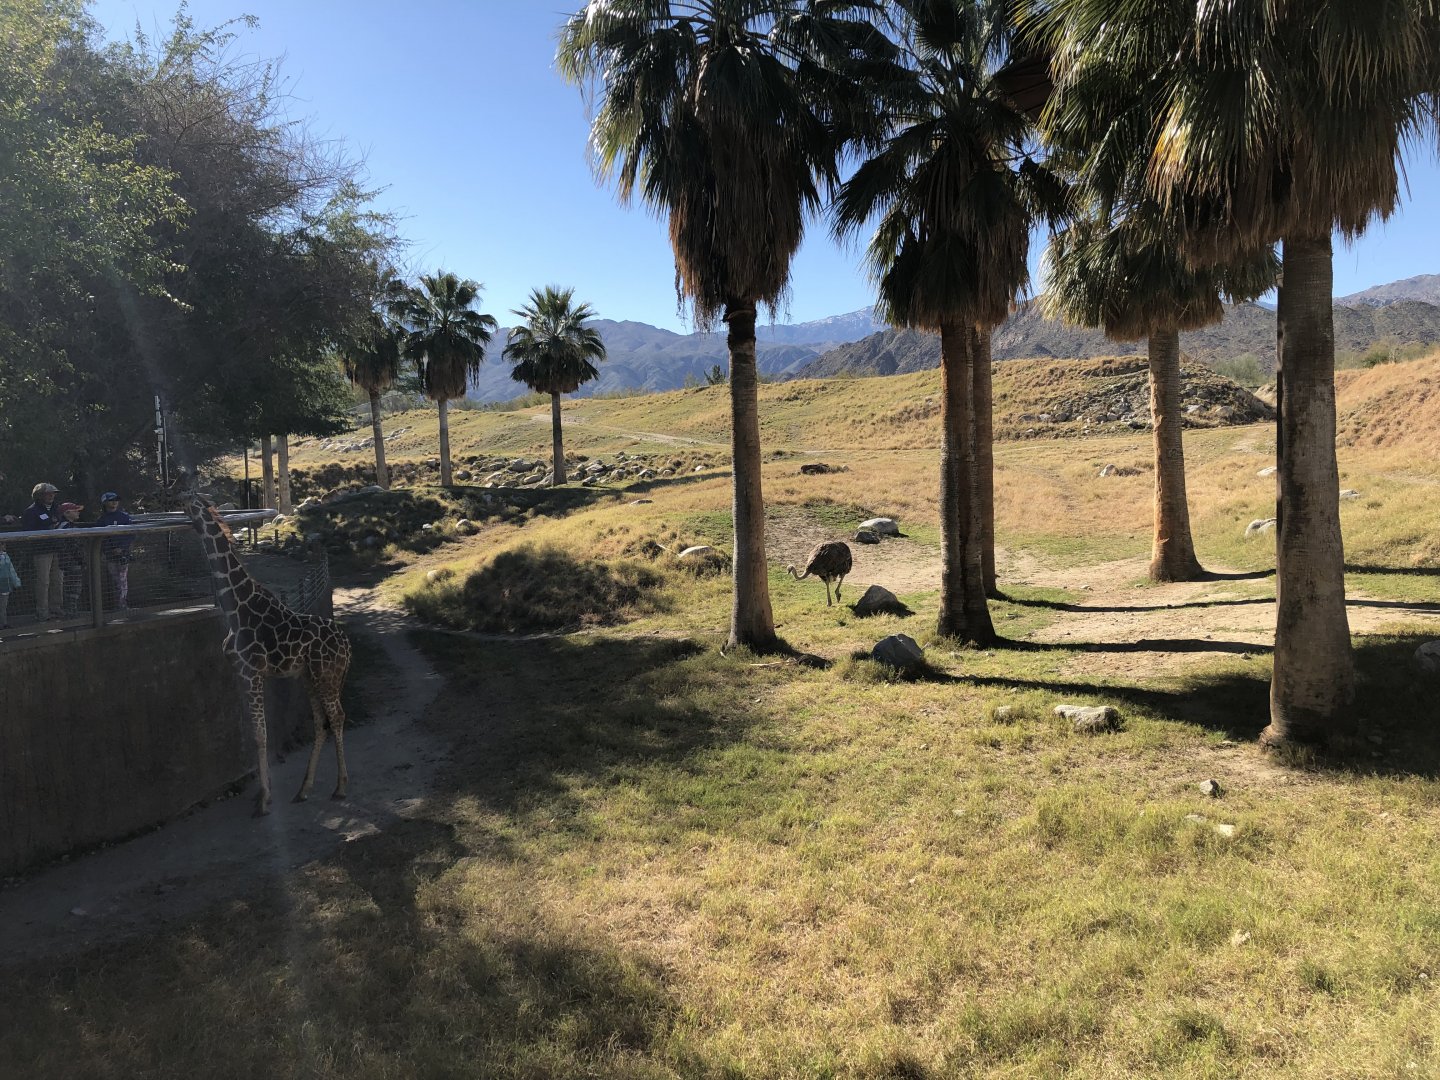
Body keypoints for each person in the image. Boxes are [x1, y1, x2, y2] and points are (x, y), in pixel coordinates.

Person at [20, 483, 64, 620]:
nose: (52, 496)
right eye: (48, 493)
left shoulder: (57, 508)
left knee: (58, 580)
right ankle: (42, 612)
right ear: (39, 495)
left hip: (57, 549)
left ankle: (56, 608)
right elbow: (28, 531)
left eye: (53, 493)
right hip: (41, 551)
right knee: (43, 582)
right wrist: (47, 527)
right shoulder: (31, 511)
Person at [96, 491, 133, 611]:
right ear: (105, 503)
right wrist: (108, 550)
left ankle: (122, 605)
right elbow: (100, 538)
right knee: (114, 580)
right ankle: (115, 605)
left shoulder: (124, 517)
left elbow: (131, 534)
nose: (114, 502)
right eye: (111, 500)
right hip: (109, 555)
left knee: (122, 580)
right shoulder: (102, 520)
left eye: (116, 500)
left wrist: (122, 548)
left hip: (123, 554)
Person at [56, 501, 87, 616]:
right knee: (73, 587)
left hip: (70, 561)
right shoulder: (66, 527)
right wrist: (81, 559)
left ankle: (72, 610)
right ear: (67, 513)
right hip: (70, 562)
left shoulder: (67, 525)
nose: (78, 512)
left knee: (72, 587)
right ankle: (71, 612)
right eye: (75, 510)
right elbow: (73, 546)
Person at [0, 539, 21, 630]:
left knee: (3, 606)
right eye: (2, 544)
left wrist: (16, 582)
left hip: (5, 585)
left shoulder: (6, 556)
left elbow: (11, 570)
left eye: (3, 544)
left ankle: (3, 623)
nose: (4, 546)